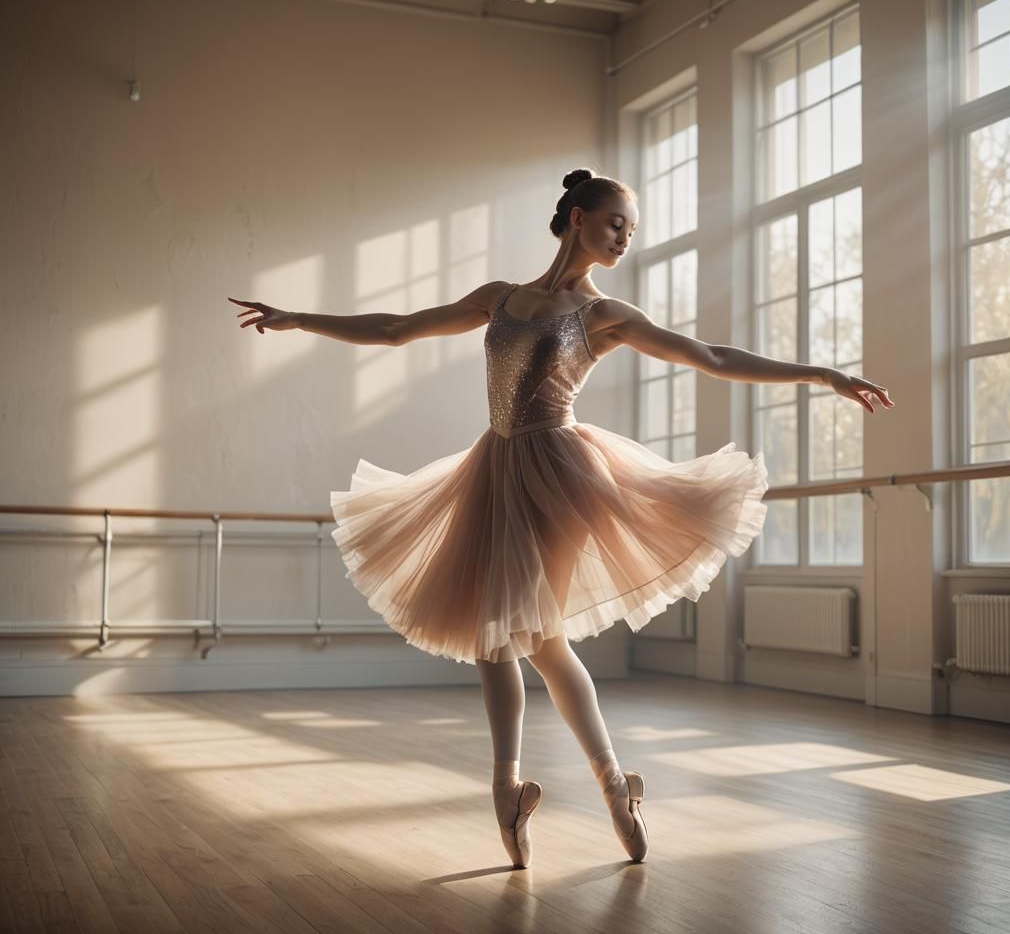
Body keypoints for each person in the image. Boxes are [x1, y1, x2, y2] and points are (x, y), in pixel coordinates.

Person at [228, 168, 894, 870]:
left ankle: (560, 788)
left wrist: (821, 374)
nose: (625, 239)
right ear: (578, 217)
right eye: (616, 224)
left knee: (515, 632)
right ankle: (576, 788)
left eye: (631, 231)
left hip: (562, 475)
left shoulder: (606, 315)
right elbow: (397, 330)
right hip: (494, 469)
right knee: (525, 641)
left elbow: (709, 357)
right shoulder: (499, 299)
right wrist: (301, 319)